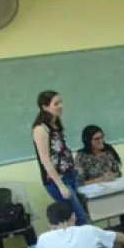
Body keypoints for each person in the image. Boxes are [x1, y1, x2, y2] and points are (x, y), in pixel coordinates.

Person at [32, 90, 87, 225]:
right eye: (56, 104)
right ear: (45, 107)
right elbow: (45, 159)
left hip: (70, 175)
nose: (60, 106)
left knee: (78, 215)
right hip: (57, 180)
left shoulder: (55, 126)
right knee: (79, 217)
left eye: (61, 103)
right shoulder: (41, 129)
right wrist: (61, 186)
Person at [76, 125, 124, 240]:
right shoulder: (81, 157)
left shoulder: (108, 151)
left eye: (102, 137)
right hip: (94, 194)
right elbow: (80, 182)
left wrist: (113, 175)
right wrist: (100, 179)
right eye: (96, 139)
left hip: (112, 189)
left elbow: (117, 171)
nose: (101, 141)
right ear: (88, 141)